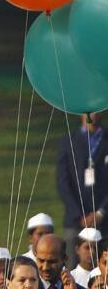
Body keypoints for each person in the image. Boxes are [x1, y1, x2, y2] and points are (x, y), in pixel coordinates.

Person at [56, 113, 108, 267]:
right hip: (75, 220)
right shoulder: (68, 141)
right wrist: (78, 214)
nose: (90, 114)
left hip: (105, 220)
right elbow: (62, 182)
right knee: (72, 266)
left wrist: (101, 212)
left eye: (94, 110)